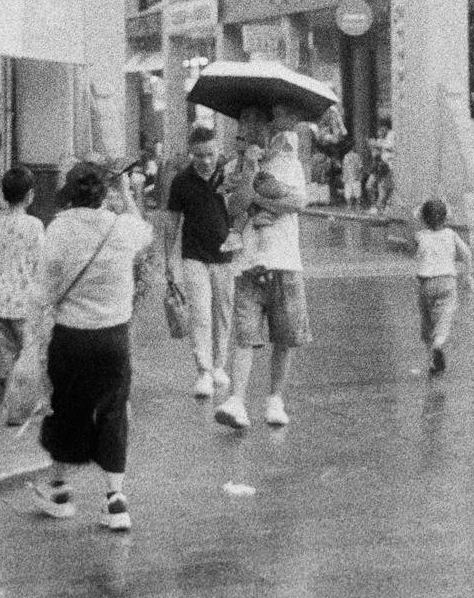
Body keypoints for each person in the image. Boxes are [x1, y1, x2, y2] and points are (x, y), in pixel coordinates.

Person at [32, 162, 153, 530]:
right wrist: (129, 196)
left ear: (70, 193)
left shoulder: (59, 228)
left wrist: (33, 341)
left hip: (70, 337)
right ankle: (115, 501)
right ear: (105, 193)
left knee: (66, 409)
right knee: (114, 411)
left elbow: (43, 290)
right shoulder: (123, 228)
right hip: (113, 338)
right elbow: (145, 231)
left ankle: (59, 488)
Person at [215, 109, 311, 430]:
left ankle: (274, 399)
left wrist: (260, 198)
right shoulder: (234, 166)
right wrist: (251, 168)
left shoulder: (289, 163)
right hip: (248, 263)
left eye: (252, 127)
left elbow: (298, 203)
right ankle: (237, 400)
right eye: (241, 128)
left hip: (285, 260)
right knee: (245, 334)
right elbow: (235, 207)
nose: (245, 134)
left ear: (267, 130)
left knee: (284, 336)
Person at [164, 125, 235, 401]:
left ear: (218, 150)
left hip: (226, 255)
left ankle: (219, 365)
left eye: (210, 154)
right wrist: (168, 258)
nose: (206, 161)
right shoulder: (181, 181)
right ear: (190, 154)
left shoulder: (229, 175)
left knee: (223, 312)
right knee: (201, 314)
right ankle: (204, 370)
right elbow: (172, 221)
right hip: (193, 255)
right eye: (199, 155)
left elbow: (241, 212)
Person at [0, 166, 49, 392]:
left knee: (8, 357)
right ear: (30, 195)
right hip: (26, 302)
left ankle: (13, 404)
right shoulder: (34, 226)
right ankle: (33, 400)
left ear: (3, 194)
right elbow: (42, 263)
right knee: (31, 354)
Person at [412, 197, 474, 376]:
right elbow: (467, 255)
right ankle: (439, 344)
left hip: (425, 282)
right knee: (444, 318)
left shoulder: (420, 236)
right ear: (445, 218)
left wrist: (419, 216)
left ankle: (432, 360)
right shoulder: (450, 234)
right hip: (447, 280)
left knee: (427, 322)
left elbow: (411, 246)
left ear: (424, 218)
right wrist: (467, 274)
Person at [341, 144, 364, 209]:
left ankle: (349, 205)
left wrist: (343, 176)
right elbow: (361, 167)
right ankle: (358, 206)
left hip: (348, 176)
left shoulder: (346, 156)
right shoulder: (358, 156)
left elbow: (344, 167)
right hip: (356, 176)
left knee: (348, 191)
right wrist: (360, 175)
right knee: (357, 191)